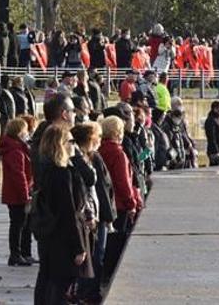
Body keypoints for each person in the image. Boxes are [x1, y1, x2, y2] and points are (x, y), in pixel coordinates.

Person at [33, 124, 89, 305]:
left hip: (50, 237)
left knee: (47, 281)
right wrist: (78, 247)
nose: (74, 145)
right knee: (60, 286)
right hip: (63, 240)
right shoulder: (62, 174)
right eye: (71, 141)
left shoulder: (47, 169)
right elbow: (68, 212)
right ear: (61, 145)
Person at [73, 122, 116, 304]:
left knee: (94, 256)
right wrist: (108, 217)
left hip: (94, 213)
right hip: (94, 215)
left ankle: (87, 291)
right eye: (98, 137)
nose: (100, 140)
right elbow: (102, 189)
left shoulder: (88, 157)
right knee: (96, 256)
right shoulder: (89, 159)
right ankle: (89, 292)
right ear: (90, 139)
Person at [98, 116, 141, 282]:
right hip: (120, 205)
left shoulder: (100, 151)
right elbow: (123, 182)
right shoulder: (118, 154)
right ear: (117, 132)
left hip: (106, 204)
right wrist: (132, 204)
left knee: (105, 244)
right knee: (116, 243)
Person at [0, 117, 34, 267]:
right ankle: (16, 254)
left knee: (24, 224)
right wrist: (25, 195)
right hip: (17, 194)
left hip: (18, 192)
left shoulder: (18, 148)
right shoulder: (15, 151)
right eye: (25, 131)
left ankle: (24, 253)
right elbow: (19, 174)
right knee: (18, 224)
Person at [205, 101, 219, 166]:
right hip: (215, 152)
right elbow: (212, 137)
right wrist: (216, 152)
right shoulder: (211, 120)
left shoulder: (218, 119)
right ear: (215, 109)